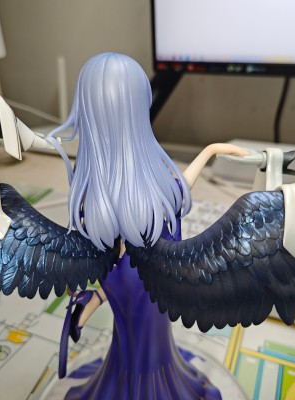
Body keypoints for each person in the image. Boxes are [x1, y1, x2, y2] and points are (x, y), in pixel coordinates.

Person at [45, 52, 249, 399]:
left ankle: (141, 378)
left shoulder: (116, 180)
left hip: (136, 280)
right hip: (141, 280)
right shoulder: (100, 187)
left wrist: (210, 151)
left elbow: (177, 192)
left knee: (142, 341)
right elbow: (172, 197)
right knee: (140, 344)